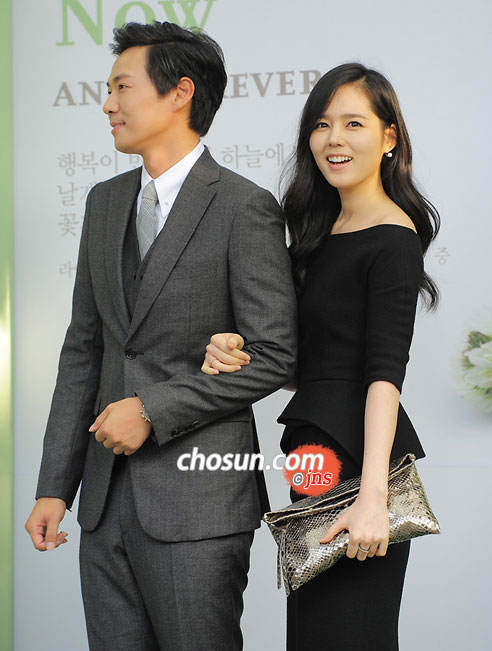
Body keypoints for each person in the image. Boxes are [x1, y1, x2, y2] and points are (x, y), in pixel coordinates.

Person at [25, 21, 297, 651]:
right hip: (102, 503)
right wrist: (54, 487)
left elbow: (275, 355)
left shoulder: (243, 206)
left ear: (180, 92)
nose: (108, 104)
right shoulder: (103, 203)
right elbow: (84, 351)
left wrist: (152, 408)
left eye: (121, 87)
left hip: (198, 503)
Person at [201, 63, 439, 650]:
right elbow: (313, 366)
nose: (335, 139)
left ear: (389, 137)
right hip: (315, 457)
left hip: (361, 469)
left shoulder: (394, 236)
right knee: (312, 637)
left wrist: (372, 497)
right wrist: (237, 349)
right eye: (322, 124)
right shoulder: (315, 234)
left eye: (354, 124)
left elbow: (383, 376)